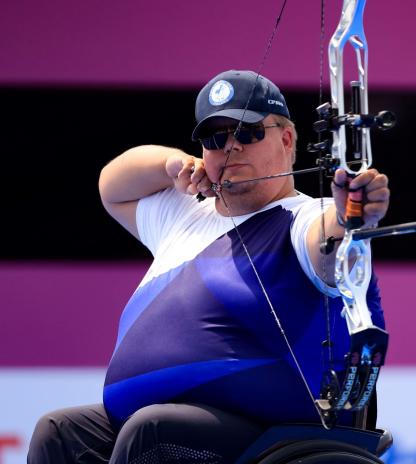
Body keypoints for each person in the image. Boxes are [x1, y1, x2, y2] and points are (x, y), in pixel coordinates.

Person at [27, 70, 389, 463]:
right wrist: (172, 164)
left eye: (247, 132)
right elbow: (111, 186)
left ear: (286, 139)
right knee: (60, 433)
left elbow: (328, 246)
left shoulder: (301, 217)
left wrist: (351, 214)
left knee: (151, 431)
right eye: (215, 139)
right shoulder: (184, 216)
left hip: (266, 429)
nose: (230, 147)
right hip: (164, 426)